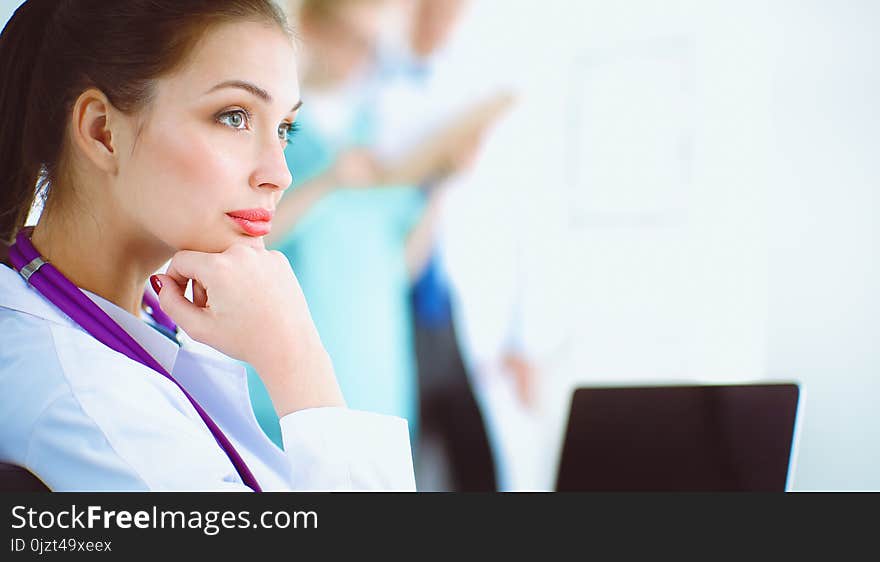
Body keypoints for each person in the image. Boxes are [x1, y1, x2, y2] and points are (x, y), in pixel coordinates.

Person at [0, 0, 415, 492]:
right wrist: (298, 361)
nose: (279, 174)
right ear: (102, 132)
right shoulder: (85, 402)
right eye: (234, 117)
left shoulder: (135, 321)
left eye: (285, 129)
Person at [247, 0, 484, 451]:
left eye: (373, 46)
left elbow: (402, 267)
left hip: (378, 387)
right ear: (313, 27)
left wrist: (439, 186)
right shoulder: (277, 130)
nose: (363, 58)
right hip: (284, 401)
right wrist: (329, 183)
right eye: (353, 40)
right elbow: (246, 243)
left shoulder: (378, 133)